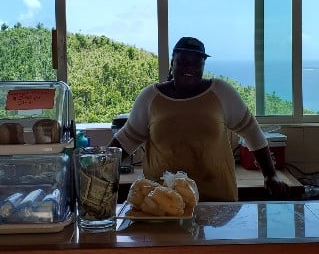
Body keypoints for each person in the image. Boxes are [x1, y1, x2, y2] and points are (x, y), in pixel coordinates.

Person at [108, 37, 290, 201]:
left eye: (197, 63)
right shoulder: (150, 97)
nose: (190, 68)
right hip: (163, 204)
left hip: (217, 201)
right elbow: (126, 139)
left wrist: (270, 175)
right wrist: (99, 171)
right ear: (173, 63)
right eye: (184, 61)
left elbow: (251, 131)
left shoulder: (221, 92)